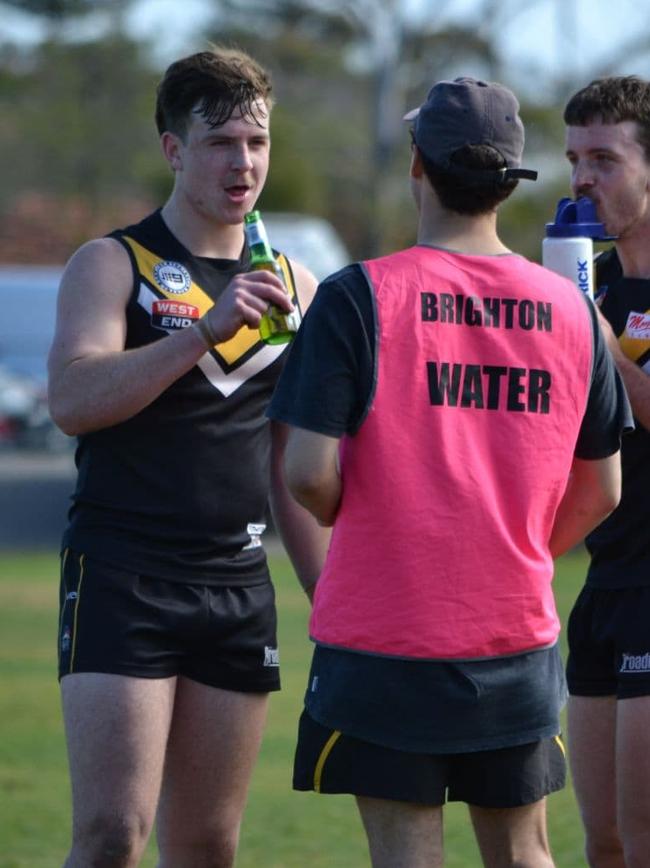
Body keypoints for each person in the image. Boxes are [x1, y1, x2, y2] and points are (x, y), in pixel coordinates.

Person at [267, 76, 632, 868]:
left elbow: (304, 474)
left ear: (418, 168)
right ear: (510, 181)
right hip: (515, 636)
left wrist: (366, 515)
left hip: (384, 635)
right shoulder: (573, 310)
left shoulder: (358, 294)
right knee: (525, 853)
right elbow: (603, 489)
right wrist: (524, 542)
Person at [47, 46, 328, 868]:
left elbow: (291, 464)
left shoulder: (295, 285)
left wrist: (331, 601)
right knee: (110, 837)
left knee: (207, 844)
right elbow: (72, 403)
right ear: (173, 149)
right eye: (219, 142)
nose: (242, 162)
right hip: (124, 574)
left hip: (237, 585)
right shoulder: (111, 264)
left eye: (256, 142)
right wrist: (206, 329)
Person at [563, 76, 650, 868]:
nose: (584, 179)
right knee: (607, 845)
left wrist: (600, 345)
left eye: (605, 159)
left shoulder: (596, 310)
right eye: (573, 160)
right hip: (602, 586)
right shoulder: (589, 289)